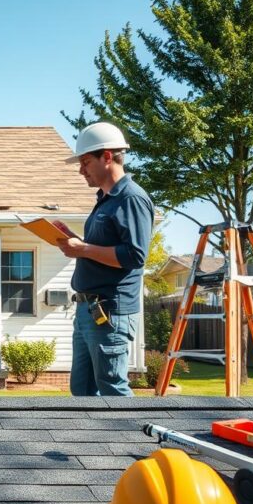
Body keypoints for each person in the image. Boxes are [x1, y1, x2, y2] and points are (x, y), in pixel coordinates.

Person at [54, 122, 154, 396]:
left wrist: (83, 249)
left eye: (85, 162)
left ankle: (134, 439)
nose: (80, 170)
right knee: (82, 391)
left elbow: (134, 256)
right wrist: (76, 241)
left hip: (110, 312)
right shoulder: (106, 200)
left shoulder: (131, 199)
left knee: (112, 389)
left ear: (107, 156)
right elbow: (100, 247)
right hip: (88, 309)